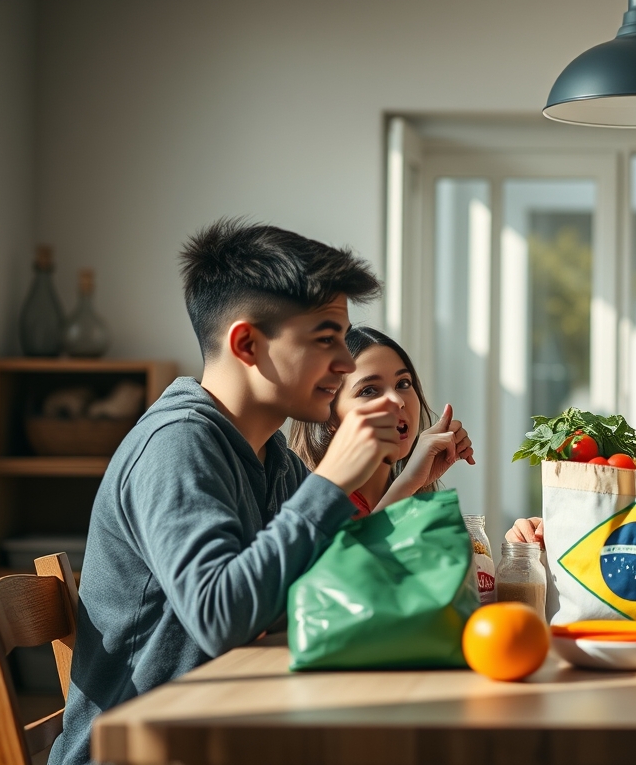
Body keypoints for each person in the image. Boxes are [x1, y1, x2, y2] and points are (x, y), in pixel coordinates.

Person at [50, 220, 457, 765]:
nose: (343, 361)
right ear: (246, 343)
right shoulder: (179, 445)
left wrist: (397, 484)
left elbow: (327, 591)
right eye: (325, 339)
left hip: (229, 729)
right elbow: (220, 618)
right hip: (142, 751)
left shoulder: (271, 458)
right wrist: (331, 480)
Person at [289, 325, 474, 517]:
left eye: (403, 384)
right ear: (328, 416)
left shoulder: (417, 506)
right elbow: (361, 547)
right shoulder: (312, 505)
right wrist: (409, 482)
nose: (398, 401)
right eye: (369, 390)